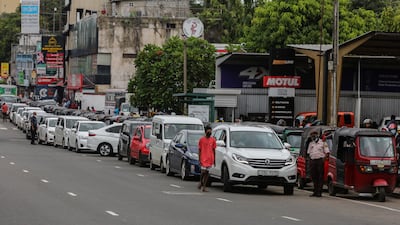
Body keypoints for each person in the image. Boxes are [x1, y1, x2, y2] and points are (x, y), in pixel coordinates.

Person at [307, 130, 329, 197]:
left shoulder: (323, 143)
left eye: (314, 135)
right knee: (313, 176)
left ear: (317, 135)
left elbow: (327, 153)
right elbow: (308, 153)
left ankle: (319, 192)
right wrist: (310, 160)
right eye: (312, 135)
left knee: (320, 177)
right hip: (312, 161)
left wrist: (323, 160)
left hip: (320, 161)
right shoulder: (311, 143)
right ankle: (315, 191)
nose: (313, 137)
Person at [198, 125, 216, 192]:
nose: (210, 132)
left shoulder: (213, 140)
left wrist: (214, 160)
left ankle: (204, 187)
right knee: (203, 172)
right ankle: (200, 182)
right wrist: (199, 159)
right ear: (206, 131)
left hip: (210, 159)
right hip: (203, 159)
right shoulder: (201, 140)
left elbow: (214, 150)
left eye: (210, 130)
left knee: (207, 173)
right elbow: (199, 150)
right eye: (208, 130)